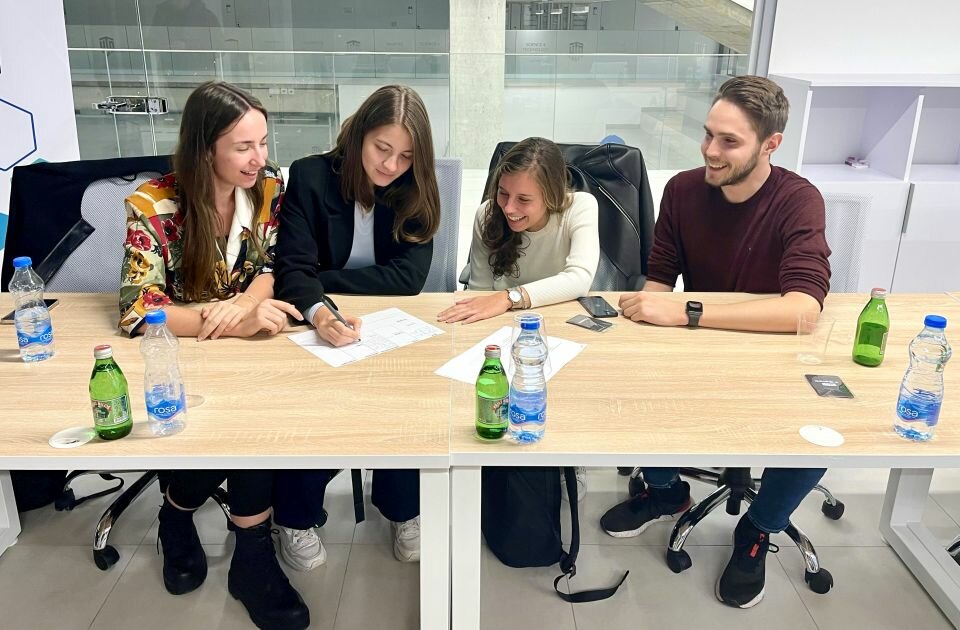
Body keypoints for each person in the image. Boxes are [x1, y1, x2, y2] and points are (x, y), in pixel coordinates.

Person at [598, 75, 832, 610]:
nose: (710, 150)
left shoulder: (798, 200)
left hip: (773, 354)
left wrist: (690, 311)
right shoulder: (683, 190)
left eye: (729, 141)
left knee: (823, 428)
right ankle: (666, 492)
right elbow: (660, 277)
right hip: (700, 350)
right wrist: (642, 324)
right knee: (629, 382)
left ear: (770, 144)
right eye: (708, 134)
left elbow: (804, 309)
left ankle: (759, 526)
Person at [118, 81, 308, 629]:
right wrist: (226, 323)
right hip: (184, 352)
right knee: (236, 430)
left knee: (257, 424)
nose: (259, 158)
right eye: (243, 147)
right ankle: (177, 516)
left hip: (251, 350)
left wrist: (246, 305)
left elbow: (273, 265)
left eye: (263, 143)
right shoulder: (153, 205)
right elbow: (138, 308)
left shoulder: (269, 187)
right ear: (205, 150)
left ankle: (251, 556)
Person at [273, 84, 441, 570]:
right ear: (359, 136)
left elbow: (409, 279)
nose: (391, 165)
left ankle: (403, 510)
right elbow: (291, 268)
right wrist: (320, 309)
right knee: (313, 406)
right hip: (317, 320)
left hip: (392, 321)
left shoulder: (417, 186)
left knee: (407, 400)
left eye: (405, 156)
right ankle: (296, 517)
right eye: (381, 148)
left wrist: (319, 280)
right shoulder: (310, 176)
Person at [437, 137, 599, 324]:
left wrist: (509, 298)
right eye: (503, 193)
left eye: (524, 199)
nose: (508, 208)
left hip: (561, 317)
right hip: (503, 319)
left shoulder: (580, 207)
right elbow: (480, 292)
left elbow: (579, 279)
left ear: (552, 195)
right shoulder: (487, 214)